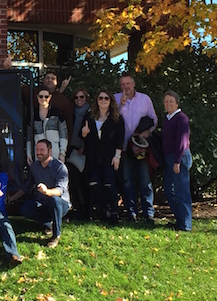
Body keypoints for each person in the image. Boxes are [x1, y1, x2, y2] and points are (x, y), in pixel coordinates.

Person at [9, 139, 70, 248]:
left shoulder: (60, 167)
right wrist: (13, 198)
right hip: (42, 203)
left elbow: (59, 191)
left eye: (42, 150)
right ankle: (48, 223)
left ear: (50, 151)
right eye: (37, 150)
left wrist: (47, 191)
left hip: (61, 204)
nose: (38, 152)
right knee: (25, 209)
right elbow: (27, 186)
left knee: (54, 199)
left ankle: (56, 235)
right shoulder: (35, 166)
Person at [114, 73, 158, 223]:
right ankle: (131, 212)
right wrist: (121, 104)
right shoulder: (115, 98)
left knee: (145, 179)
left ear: (133, 84)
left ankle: (148, 213)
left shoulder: (145, 99)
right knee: (127, 181)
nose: (126, 87)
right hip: (124, 148)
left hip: (141, 147)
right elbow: (112, 120)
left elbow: (154, 119)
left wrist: (147, 132)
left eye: (128, 84)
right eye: (123, 85)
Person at [80, 90, 125, 224]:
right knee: (93, 184)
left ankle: (115, 213)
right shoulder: (89, 116)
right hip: (93, 157)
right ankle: (104, 210)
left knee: (109, 184)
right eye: (101, 98)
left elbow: (120, 139)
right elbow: (80, 135)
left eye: (106, 98)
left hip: (109, 157)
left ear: (110, 101)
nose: (103, 100)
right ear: (97, 100)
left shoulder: (116, 118)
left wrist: (117, 156)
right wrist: (84, 133)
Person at [162, 90, 192, 231]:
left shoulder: (181, 118)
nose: (168, 104)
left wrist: (177, 161)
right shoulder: (167, 119)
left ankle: (186, 225)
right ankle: (180, 221)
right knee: (169, 190)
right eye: (166, 101)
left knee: (181, 192)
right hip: (169, 159)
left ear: (177, 103)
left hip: (179, 157)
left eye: (171, 101)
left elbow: (182, 141)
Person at [28, 86, 68, 164]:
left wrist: (62, 152)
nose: (43, 98)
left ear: (50, 97)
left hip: (55, 152)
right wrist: (29, 154)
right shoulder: (32, 114)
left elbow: (63, 133)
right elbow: (29, 136)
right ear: (37, 97)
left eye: (46, 96)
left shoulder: (57, 113)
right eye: (41, 96)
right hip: (38, 153)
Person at [67, 88, 90, 219]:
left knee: (85, 182)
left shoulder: (90, 113)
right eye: (76, 97)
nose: (79, 100)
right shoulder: (71, 113)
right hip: (72, 151)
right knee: (74, 182)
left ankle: (86, 210)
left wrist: (83, 147)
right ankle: (78, 208)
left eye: (82, 97)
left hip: (85, 152)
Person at [33, 71, 73, 140]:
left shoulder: (63, 101)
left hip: (55, 146)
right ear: (43, 80)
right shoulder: (33, 95)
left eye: (53, 78)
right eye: (47, 78)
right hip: (37, 144)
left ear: (56, 82)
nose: (50, 80)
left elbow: (67, 125)